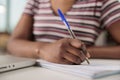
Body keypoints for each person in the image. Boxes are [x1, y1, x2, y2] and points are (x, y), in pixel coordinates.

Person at [7, 0, 120, 64]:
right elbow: (13, 43)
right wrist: (43, 50)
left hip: (76, 72)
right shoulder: (36, 2)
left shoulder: (104, 2)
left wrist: (85, 51)